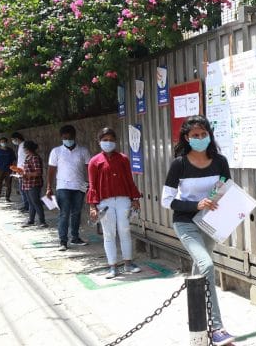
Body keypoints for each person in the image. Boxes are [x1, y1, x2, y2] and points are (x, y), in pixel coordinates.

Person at [161, 115, 235, 346]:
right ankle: (216, 327)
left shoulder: (220, 161)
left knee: (199, 273)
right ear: (187, 138)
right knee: (207, 265)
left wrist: (214, 199)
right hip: (186, 222)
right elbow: (166, 200)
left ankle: (197, 326)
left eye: (204, 134)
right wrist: (196, 204)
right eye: (195, 135)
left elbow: (226, 187)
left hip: (210, 223)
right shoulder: (179, 164)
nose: (200, 138)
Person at [87, 127, 143, 279]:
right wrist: (92, 206)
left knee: (124, 230)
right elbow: (92, 185)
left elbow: (129, 180)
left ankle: (128, 263)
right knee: (109, 233)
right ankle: (112, 266)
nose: (108, 143)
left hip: (123, 199)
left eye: (111, 140)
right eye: (105, 140)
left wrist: (135, 199)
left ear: (116, 141)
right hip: (105, 202)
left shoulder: (123, 158)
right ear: (99, 142)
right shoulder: (94, 161)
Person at [47, 125, 91, 251]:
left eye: (70, 137)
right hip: (63, 187)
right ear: (61, 137)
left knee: (76, 213)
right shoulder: (56, 151)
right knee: (64, 213)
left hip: (80, 186)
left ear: (75, 136)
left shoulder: (83, 151)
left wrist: (90, 183)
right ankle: (63, 241)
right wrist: (49, 187)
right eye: (65, 137)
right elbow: (51, 170)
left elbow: (89, 168)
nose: (68, 139)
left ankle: (75, 237)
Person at [21, 140, 48, 227]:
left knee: (36, 202)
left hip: (34, 184)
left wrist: (26, 174)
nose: (23, 150)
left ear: (28, 149)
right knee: (31, 202)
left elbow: (38, 172)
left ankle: (42, 221)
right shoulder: (28, 157)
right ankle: (31, 220)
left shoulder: (35, 158)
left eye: (24, 148)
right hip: (27, 183)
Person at [0, 137, 16, 203]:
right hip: (0, 170)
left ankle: (7, 198)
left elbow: (13, 160)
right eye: (2, 142)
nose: (3, 143)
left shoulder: (10, 150)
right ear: (0, 143)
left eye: (4, 142)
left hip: (9, 170)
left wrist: (14, 169)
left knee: (8, 184)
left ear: (6, 142)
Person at [11, 132, 30, 212]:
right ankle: (26, 205)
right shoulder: (20, 146)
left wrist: (21, 170)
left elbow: (25, 159)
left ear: (17, 138)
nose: (13, 141)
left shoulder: (24, 145)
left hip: (23, 171)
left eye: (13, 139)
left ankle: (27, 205)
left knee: (24, 190)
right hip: (20, 171)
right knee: (22, 189)